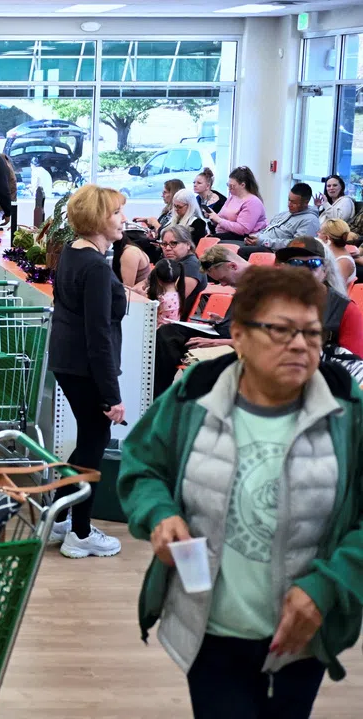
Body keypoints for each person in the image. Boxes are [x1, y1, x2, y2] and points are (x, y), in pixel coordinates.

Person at [119, 265, 363, 719]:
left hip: (301, 637)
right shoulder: (195, 394)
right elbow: (142, 465)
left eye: (312, 333)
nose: (299, 345)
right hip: (209, 631)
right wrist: (159, 513)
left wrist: (328, 585)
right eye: (280, 330)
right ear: (238, 334)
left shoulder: (347, 410)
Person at [45, 184, 127, 560]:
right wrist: (112, 395)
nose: (122, 219)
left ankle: (60, 515)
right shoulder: (94, 266)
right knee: (93, 446)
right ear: (98, 219)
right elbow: (98, 337)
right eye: (116, 213)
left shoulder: (73, 254)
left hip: (68, 362)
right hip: (85, 366)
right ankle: (80, 532)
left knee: (87, 443)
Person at [152, 245, 246, 398]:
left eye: (222, 279)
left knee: (169, 337)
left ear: (233, 266)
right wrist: (222, 320)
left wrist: (218, 342)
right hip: (225, 331)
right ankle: (159, 395)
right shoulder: (245, 283)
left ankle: (160, 396)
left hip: (233, 340)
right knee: (168, 332)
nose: (222, 285)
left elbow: (262, 336)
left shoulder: (262, 286)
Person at [274, 237, 363, 358]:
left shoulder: (345, 310)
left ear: (325, 270)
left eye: (313, 264)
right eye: (295, 263)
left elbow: (355, 366)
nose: (304, 271)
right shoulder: (268, 302)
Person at [237, 183, 319, 259]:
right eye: (289, 200)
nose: (289, 204)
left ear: (306, 203)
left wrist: (264, 242)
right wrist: (254, 237)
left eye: (294, 202)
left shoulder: (310, 221)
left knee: (240, 251)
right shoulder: (285, 214)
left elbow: (296, 245)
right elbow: (267, 229)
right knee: (230, 248)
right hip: (262, 243)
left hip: (275, 251)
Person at [158, 225, 207, 319]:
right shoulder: (170, 263)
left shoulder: (192, 266)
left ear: (188, 245)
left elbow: (173, 298)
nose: (167, 248)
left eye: (173, 243)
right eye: (164, 244)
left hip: (172, 322)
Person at [209, 166, 267, 241]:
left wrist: (219, 220)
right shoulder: (232, 197)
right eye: (228, 185)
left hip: (242, 239)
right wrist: (213, 218)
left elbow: (243, 229)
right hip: (224, 234)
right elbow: (220, 218)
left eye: (232, 186)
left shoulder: (253, 202)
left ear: (243, 185)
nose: (229, 188)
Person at [318, 218, 357, 289]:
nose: (317, 234)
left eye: (320, 232)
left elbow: (335, 291)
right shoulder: (330, 253)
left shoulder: (343, 262)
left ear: (327, 238)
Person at [148, 258, 185, 328]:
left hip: (159, 334)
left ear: (157, 278)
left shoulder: (161, 299)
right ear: (178, 277)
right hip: (173, 332)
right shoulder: (179, 295)